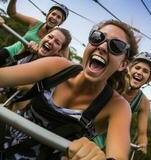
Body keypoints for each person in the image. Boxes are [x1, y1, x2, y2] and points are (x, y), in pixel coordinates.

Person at [0, 19, 138, 159]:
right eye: (97, 37)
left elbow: (119, 156)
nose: (102, 47)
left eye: (116, 46)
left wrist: (95, 155)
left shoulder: (117, 106)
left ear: (122, 64)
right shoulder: (57, 66)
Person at [94, 52, 151, 155]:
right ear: (129, 68)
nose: (140, 72)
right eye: (137, 68)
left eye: (145, 71)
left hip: (101, 141)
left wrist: (142, 144)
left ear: (149, 78)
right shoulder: (113, 82)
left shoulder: (143, 102)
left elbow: (142, 133)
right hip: (84, 126)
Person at [0, 0, 69, 66]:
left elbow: (62, 64)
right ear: (47, 15)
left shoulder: (59, 40)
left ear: (61, 22)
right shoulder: (35, 23)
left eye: (59, 17)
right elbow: (12, 13)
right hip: (9, 52)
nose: (54, 18)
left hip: (22, 65)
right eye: (53, 14)